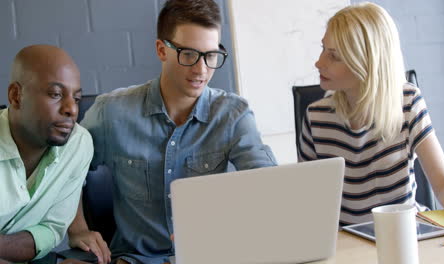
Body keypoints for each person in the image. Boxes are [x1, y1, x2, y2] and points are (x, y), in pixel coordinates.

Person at [67, 0, 277, 263]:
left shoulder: (233, 114)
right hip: (136, 259)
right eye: (188, 54)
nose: (201, 69)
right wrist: (77, 229)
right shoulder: (112, 112)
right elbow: (65, 169)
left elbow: (269, 188)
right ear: (161, 50)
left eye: (211, 55)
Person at [298, 2, 444, 225]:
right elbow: (308, 205)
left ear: (367, 63)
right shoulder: (315, 117)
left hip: (406, 233)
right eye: (323, 49)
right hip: (349, 244)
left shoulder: (407, 102)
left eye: (334, 56)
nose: (318, 62)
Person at [0, 45, 92, 263]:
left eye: (77, 98)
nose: (72, 109)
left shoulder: (78, 144)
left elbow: (50, 231)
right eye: (56, 94)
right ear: (16, 96)